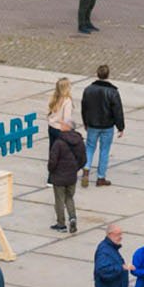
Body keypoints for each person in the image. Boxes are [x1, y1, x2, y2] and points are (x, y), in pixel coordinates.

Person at [46, 90, 83, 233]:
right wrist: (76, 168)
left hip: (59, 175)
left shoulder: (59, 142)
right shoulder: (79, 140)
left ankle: (61, 224)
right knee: (69, 198)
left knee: (59, 200)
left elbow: (52, 160)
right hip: (71, 175)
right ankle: (72, 217)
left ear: (66, 127)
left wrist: (51, 170)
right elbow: (82, 158)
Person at [80, 65, 124, 186]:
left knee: (89, 147)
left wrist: (85, 122)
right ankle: (101, 177)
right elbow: (118, 111)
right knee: (104, 151)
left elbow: (84, 108)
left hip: (92, 124)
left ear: (97, 74)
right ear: (108, 75)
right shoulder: (113, 92)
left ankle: (86, 170)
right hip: (107, 125)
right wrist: (121, 127)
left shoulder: (88, 89)